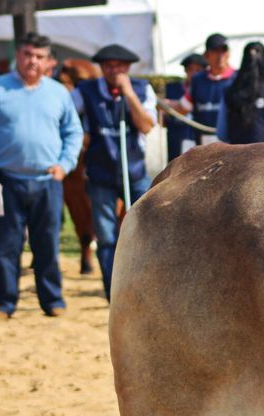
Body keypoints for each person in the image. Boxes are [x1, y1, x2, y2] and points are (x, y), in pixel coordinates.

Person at [0, 32, 81, 320]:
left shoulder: (58, 92)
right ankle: (3, 304)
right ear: (17, 56)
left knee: (47, 244)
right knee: (6, 246)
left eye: (38, 56)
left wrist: (65, 164)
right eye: (27, 54)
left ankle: (52, 300)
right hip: (6, 180)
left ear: (48, 61)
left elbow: (73, 132)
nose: (32, 61)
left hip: (47, 181)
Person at [72, 44, 157, 301]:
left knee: (145, 231)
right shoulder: (85, 91)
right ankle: (114, 293)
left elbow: (146, 126)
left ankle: (145, 289)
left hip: (135, 172)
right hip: (101, 174)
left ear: (128, 68)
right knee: (107, 235)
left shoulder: (143, 90)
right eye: (108, 65)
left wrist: (129, 95)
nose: (114, 70)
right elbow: (71, 120)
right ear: (101, 68)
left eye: (119, 66)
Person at [166, 34, 236, 144]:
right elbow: (184, 106)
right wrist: (163, 104)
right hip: (204, 148)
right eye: (216, 51)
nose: (220, 55)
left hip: (232, 145)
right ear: (206, 55)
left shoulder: (238, 78)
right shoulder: (198, 80)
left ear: (229, 53)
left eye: (224, 50)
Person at [165, 53, 206, 161]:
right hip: (177, 142)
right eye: (190, 70)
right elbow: (164, 118)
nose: (194, 74)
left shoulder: (208, 89)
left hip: (201, 142)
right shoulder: (172, 89)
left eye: (198, 70)